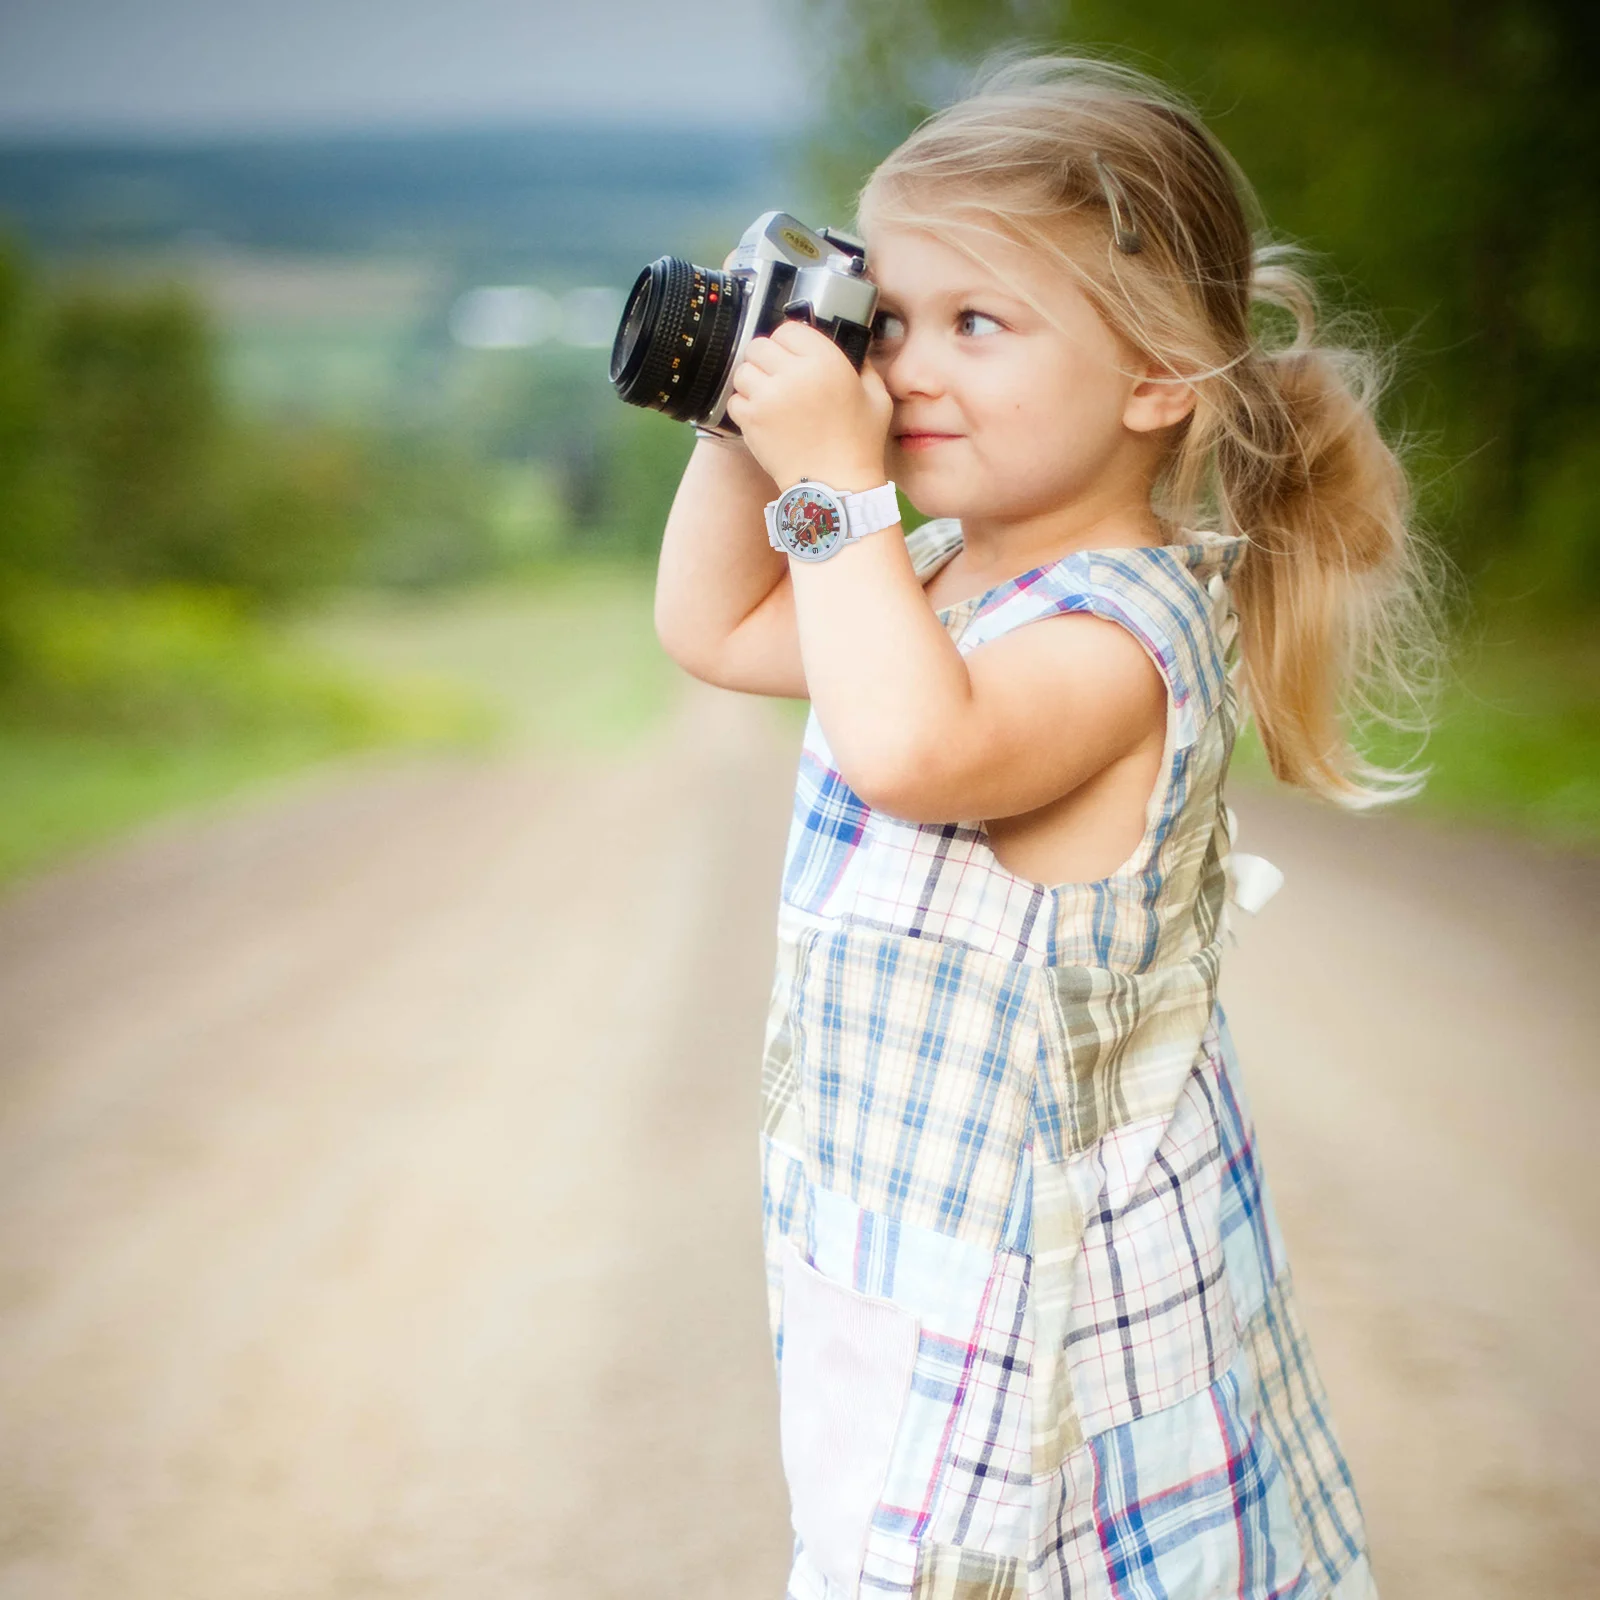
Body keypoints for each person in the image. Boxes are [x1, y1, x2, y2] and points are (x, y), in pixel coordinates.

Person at [653, 48, 1437, 1600]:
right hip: (912, 1264)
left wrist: (833, 480)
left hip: (1055, 1339)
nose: (906, 371)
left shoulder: (1121, 640)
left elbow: (912, 748)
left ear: (1157, 380)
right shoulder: (935, 570)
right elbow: (717, 625)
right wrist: (748, 423)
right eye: (891, 323)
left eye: (977, 325)